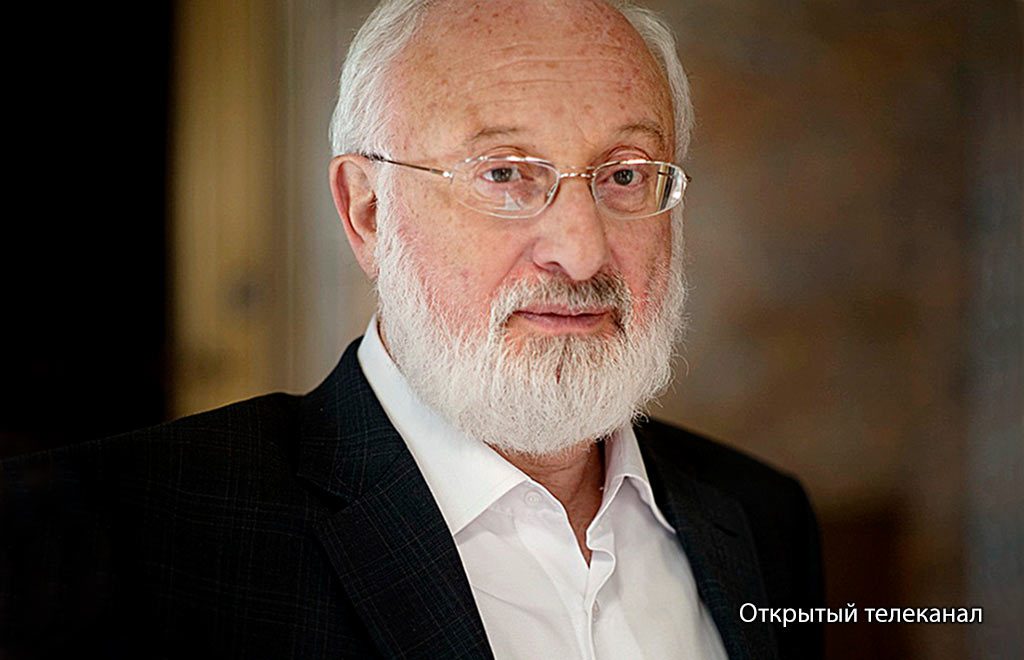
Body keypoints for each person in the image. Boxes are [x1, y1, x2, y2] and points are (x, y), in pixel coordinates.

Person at [1, 1, 823, 658]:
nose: (580, 251)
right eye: (504, 173)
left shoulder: (761, 517)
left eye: (625, 175)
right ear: (367, 210)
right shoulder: (113, 533)